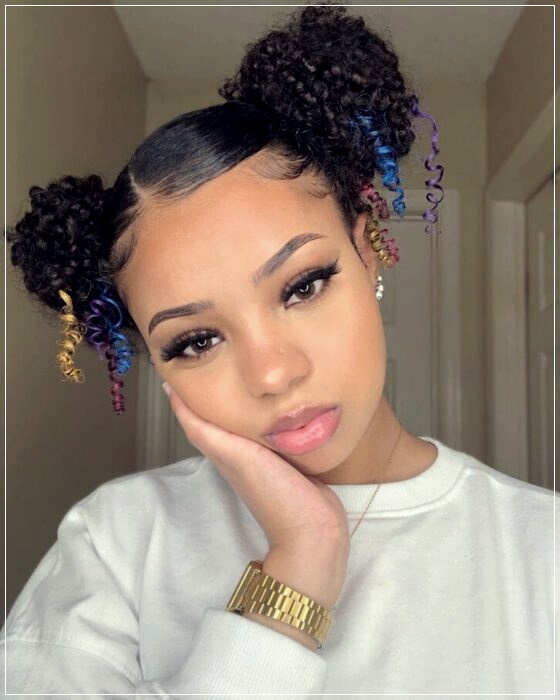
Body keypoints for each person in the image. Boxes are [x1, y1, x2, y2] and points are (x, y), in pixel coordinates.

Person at [2, 5, 556, 697]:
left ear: (367, 250)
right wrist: (299, 567)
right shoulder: (115, 542)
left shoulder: (544, 547)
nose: (272, 372)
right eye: (196, 341)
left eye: (302, 286)